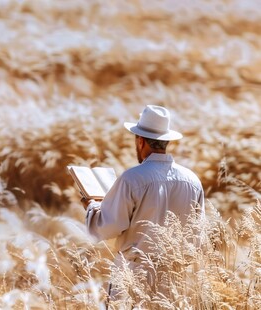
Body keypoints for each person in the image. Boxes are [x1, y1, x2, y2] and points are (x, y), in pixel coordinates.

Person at [81, 105, 205, 302]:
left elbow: (107, 228)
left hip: (133, 273)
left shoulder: (132, 178)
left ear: (140, 141)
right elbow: (197, 237)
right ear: (167, 141)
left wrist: (92, 207)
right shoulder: (192, 180)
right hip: (175, 278)